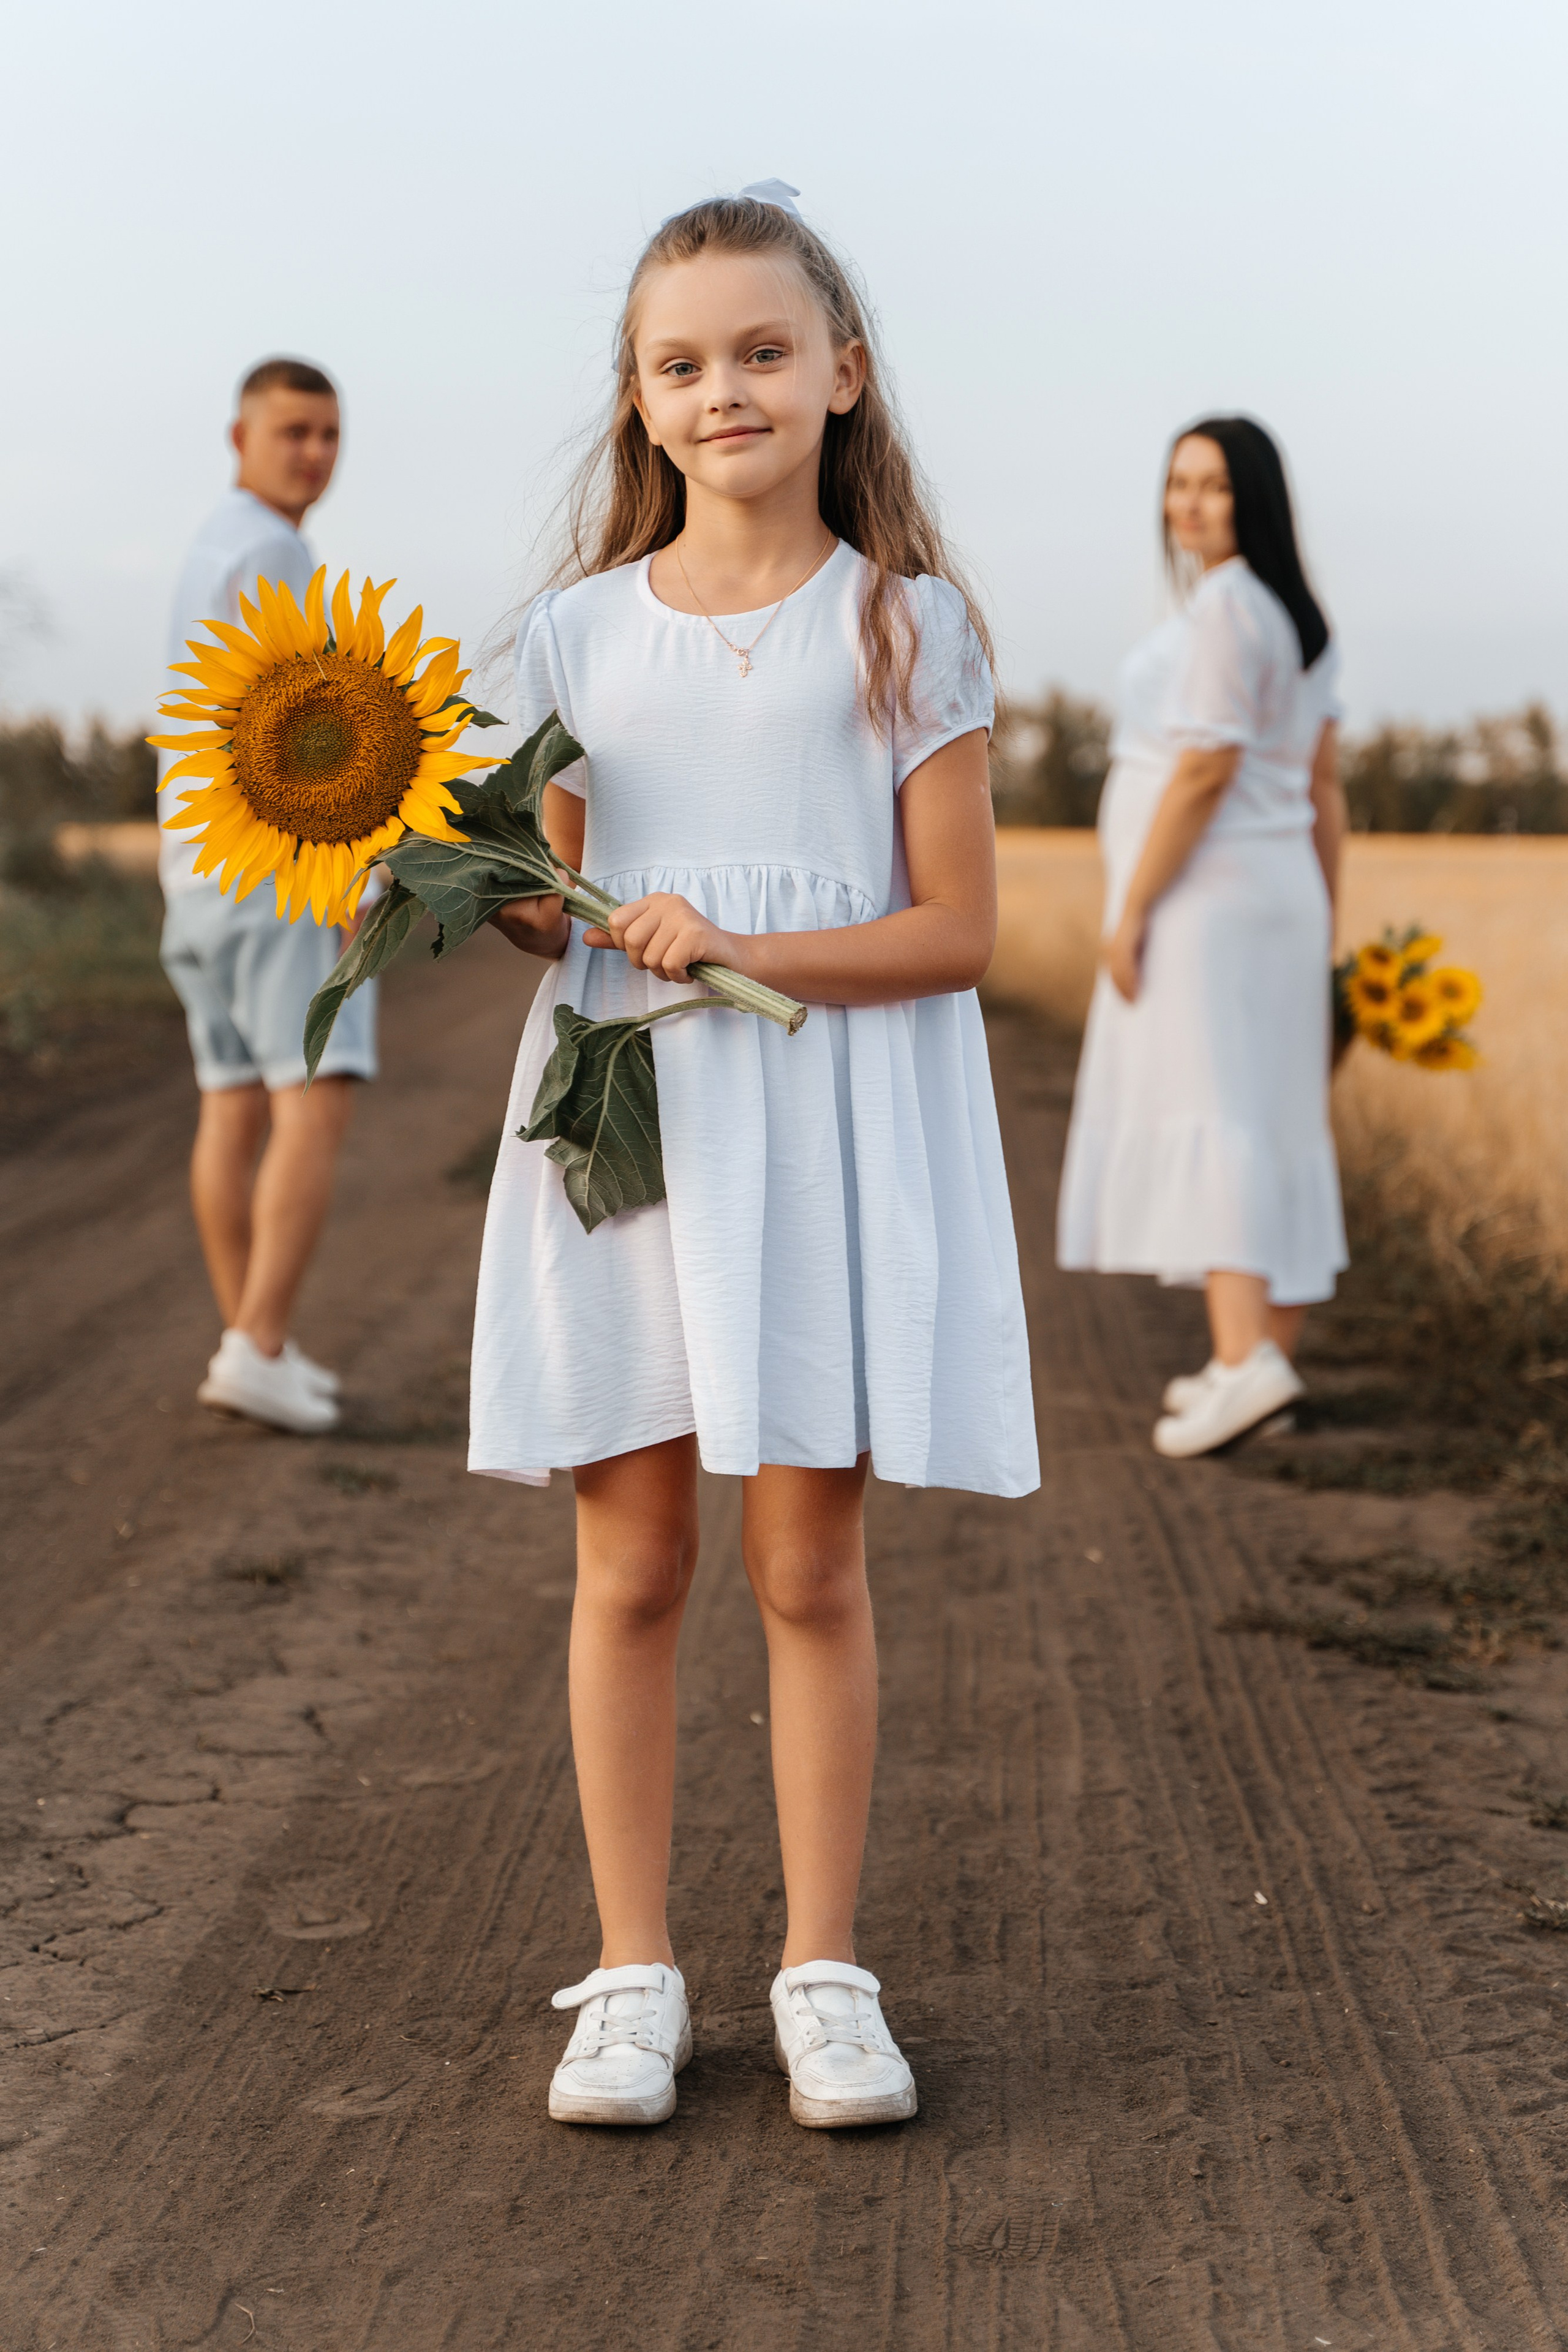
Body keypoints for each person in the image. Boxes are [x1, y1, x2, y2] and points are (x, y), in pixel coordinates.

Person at [475, 183, 1038, 2130]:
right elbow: (543, 903)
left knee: (808, 1563)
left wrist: (741, 944)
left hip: (820, 1127)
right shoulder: (564, 637)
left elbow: (958, 929)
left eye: (764, 352)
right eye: (683, 362)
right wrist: (486, 887)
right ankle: (630, 1974)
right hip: (628, 1129)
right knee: (630, 1562)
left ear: (843, 376)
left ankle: (824, 1970)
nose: (726, 389)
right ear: (638, 403)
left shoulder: (909, 625)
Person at [1057, 416, 1349, 1458]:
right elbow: (1321, 789)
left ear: (1255, 499)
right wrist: (1324, 924)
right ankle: (1260, 1354)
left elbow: (1204, 771)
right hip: (1272, 898)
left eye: (1214, 487)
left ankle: (1243, 1363)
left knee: (1214, 1106)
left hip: (1208, 899)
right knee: (1268, 1112)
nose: (1188, 505)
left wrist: (1131, 909)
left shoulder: (1228, 612)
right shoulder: (1293, 616)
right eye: (1178, 483)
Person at [157, 358, 377, 1436]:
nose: (315, 454)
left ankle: (254, 1343)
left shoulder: (212, 545)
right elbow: (295, 721)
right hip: (269, 866)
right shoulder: (275, 549)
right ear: (238, 435)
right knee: (316, 1091)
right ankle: (260, 1342)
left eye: (330, 434)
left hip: (192, 875)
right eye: (294, 431)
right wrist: (342, 868)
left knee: (233, 1101)